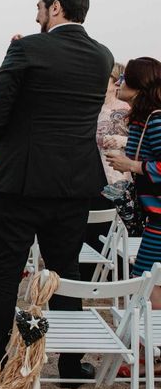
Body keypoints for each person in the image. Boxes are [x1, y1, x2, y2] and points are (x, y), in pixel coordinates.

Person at [0, 0, 113, 389]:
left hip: (21, 184)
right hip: (75, 184)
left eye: (40, 5)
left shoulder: (26, 48)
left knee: (3, 272)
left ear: (57, 7)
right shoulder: (103, 56)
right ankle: (70, 365)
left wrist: (11, 147)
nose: (36, 13)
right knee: (65, 271)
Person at [107, 57, 161, 311]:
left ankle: (150, 345)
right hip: (154, 218)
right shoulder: (143, 118)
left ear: (139, 86)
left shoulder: (156, 120)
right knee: (147, 281)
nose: (119, 82)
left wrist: (132, 166)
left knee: (145, 283)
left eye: (125, 78)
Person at [81, 62, 129, 280]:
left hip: (116, 175)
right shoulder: (88, 108)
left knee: (113, 221)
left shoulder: (126, 109)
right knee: (91, 220)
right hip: (88, 172)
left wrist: (120, 140)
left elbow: (139, 142)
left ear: (115, 83)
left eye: (105, 79)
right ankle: (88, 271)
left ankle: (115, 272)